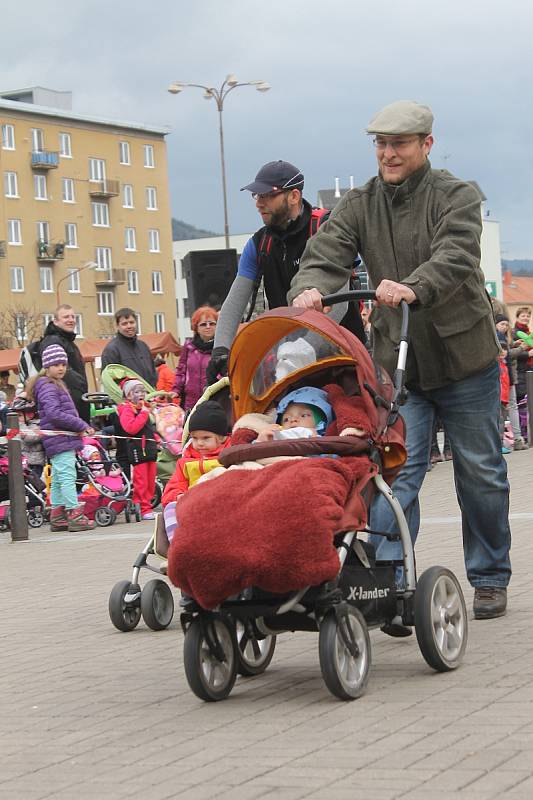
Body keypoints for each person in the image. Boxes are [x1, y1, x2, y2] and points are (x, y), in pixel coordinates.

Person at [288, 99, 511, 622]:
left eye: (400, 144)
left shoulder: (455, 195)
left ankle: (488, 576)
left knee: (480, 471)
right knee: (394, 471)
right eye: (381, 144)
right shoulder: (360, 203)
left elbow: (456, 254)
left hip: (464, 359)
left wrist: (414, 287)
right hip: (398, 364)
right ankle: (389, 585)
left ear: (426, 145)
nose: (388, 153)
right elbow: (325, 254)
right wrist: (309, 291)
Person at [206, 160, 364, 383]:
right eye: (256, 196)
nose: (259, 203)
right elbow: (235, 301)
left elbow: (340, 303)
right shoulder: (259, 244)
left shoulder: (327, 228)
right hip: (288, 358)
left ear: (294, 196)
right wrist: (220, 349)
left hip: (342, 356)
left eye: (267, 195)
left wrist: (305, 347)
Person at [28, 344, 95, 532]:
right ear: (47, 366)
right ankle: (75, 514)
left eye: (63, 364)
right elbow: (54, 413)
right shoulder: (48, 386)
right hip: (61, 439)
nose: (61, 368)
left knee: (58, 478)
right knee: (67, 477)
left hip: (59, 439)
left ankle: (57, 515)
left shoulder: (51, 384)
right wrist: (81, 425)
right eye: (56, 364)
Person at [161, 401, 230, 543]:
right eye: (195, 438)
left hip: (218, 504)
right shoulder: (185, 462)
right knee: (170, 508)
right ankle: (177, 545)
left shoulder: (229, 457)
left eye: (206, 438)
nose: (199, 443)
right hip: (190, 504)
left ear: (222, 438)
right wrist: (178, 496)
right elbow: (172, 488)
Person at [116, 379, 158, 520]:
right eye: (137, 391)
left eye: (143, 391)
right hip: (138, 450)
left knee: (151, 480)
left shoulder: (143, 408)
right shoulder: (127, 409)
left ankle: (143, 505)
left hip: (149, 448)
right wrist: (144, 413)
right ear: (128, 395)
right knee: (142, 481)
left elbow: (148, 429)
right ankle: (144, 508)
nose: (142, 394)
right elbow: (131, 428)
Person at [40, 304, 90, 422]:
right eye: (66, 317)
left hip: (73, 400)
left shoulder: (68, 342)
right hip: (67, 403)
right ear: (55, 322)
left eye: (73, 317)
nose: (71, 320)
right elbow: (60, 375)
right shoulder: (53, 341)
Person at [172, 307, 218, 410]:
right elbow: (181, 370)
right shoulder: (188, 346)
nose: (208, 327)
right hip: (190, 402)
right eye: (203, 324)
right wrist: (176, 390)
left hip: (214, 400)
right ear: (196, 327)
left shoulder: (220, 348)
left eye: (212, 323)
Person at [101, 308, 157, 387]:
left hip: (148, 396)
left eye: (132, 322)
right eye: (124, 324)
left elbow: (153, 373)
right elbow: (109, 381)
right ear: (117, 326)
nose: (129, 326)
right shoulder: (112, 350)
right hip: (126, 398)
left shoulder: (143, 346)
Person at [255, 387, 335, 442]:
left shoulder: (324, 440)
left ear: (321, 423)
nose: (293, 420)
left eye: (303, 415)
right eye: (286, 419)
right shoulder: (278, 436)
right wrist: (262, 438)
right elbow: (256, 451)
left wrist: (315, 441)